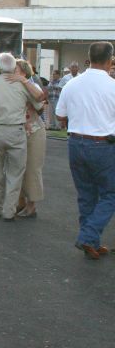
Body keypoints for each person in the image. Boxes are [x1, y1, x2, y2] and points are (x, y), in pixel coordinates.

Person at [55, 42, 115, 259]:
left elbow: (60, 115)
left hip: (76, 142)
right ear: (110, 59)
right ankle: (88, 237)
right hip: (103, 145)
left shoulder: (72, 84)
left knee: (86, 195)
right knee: (110, 194)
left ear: (88, 58)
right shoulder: (112, 85)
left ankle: (92, 242)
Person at [0, 52, 43, 221]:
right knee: (15, 173)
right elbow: (39, 104)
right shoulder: (22, 85)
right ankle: (9, 210)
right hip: (17, 131)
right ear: (14, 67)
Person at [12, 60, 47, 218]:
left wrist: (24, 82)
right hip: (18, 131)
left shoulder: (33, 86)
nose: (12, 72)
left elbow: (40, 104)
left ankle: (31, 204)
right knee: (17, 168)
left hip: (34, 130)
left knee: (32, 168)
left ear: (24, 72)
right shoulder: (10, 87)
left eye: (16, 70)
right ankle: (20, 202)